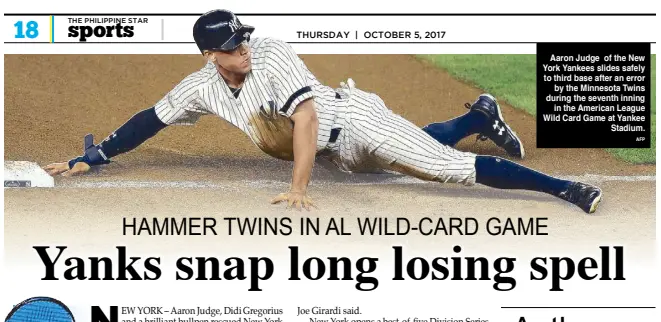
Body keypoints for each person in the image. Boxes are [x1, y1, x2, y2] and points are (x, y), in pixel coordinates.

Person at [43, 9, 602, 214]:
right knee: (410, 155)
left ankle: (566, 188)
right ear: (209, 55)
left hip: (350, 117)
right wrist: (94, 155)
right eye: (230, 45)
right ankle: (479, 118)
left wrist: (300, 186)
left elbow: (306, 119)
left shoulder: (273, 55)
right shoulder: (201, 86)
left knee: (446, 168)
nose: (242, 47)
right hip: (341, 150)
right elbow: (151, 118)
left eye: (242, 39)